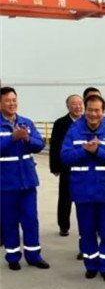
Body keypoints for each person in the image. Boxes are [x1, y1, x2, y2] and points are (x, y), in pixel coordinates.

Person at [60, 94, 105, 282]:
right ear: (84, 110)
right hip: (82, 192)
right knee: (86, 231)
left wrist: (98, 151)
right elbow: (65, 157)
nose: (93, 114)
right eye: (90, 110)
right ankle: (91, 266)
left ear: (103, 112)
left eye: (97, 110)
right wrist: (84, 150)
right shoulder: (74, 132)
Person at [0, 86, 50, 270]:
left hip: (27, 182)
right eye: (7, 100)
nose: (12, 103)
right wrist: (12, 138)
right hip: (5, 183)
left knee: (30, 220)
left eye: (14, 100)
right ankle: (13, 257)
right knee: (9, 221)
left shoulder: (26, 122)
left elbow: (40, 144)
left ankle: (34, 256)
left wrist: (28, 138)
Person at [50, 94, 84, 237]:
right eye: (74, 104)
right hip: (67, 167)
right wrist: (55, 167)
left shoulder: (88, 121)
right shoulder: (60, 123)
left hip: (84, 167)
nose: (78, 107)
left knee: (84, 199)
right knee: (65, 198)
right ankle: (63, 226)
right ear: (68, 106)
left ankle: (87, 226)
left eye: (80, 103)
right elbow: (54, 146)